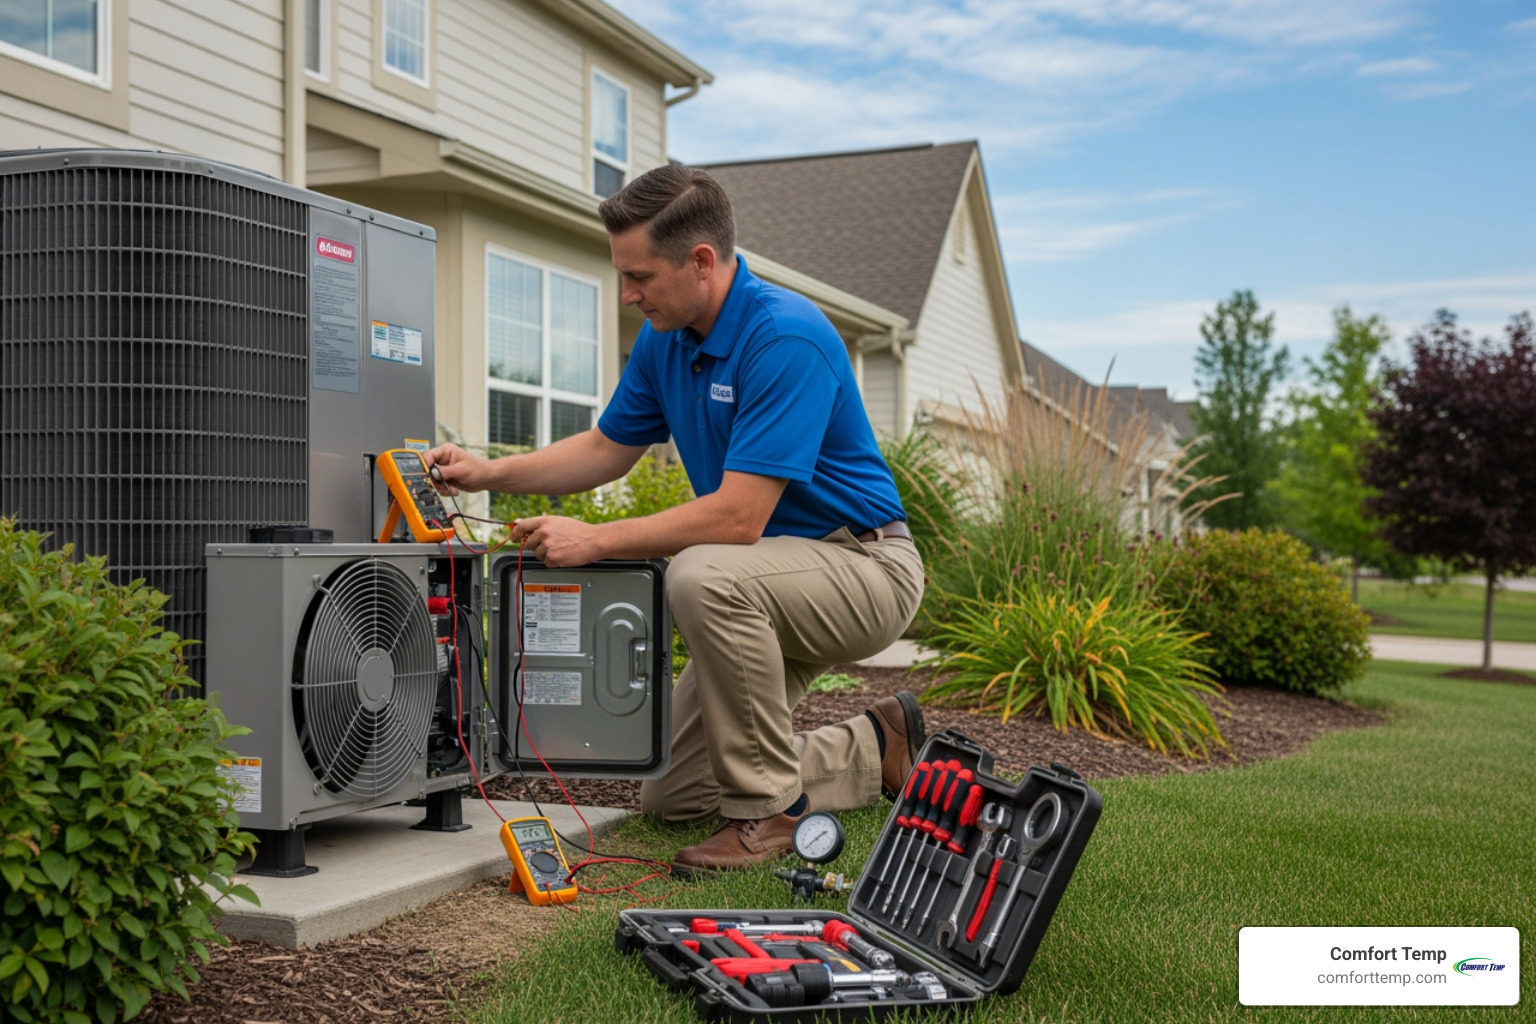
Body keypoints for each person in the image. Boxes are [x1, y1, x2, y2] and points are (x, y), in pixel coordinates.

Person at [425, 164, 926, 870]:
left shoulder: (785, 337)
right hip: (765, 577)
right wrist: (488, 472)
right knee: (674, 791)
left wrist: (596, 540)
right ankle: (878, 745)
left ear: (701, 262)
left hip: (863, 567)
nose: (627, 295)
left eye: (640, 277)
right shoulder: (667, 339)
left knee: (700, 574)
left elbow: (740, 516)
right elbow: (606, 448)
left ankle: (771, 815)